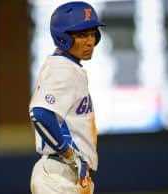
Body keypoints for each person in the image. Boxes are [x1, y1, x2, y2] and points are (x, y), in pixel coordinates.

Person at [28, 1, 105, 194]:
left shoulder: (68, 66)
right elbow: (40, 113)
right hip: (59, 174)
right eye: (81, 35)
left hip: (66, 173)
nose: (89, 41)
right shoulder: (62, 68)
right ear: (63, 37)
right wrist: (70, 156)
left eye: (92, 33)